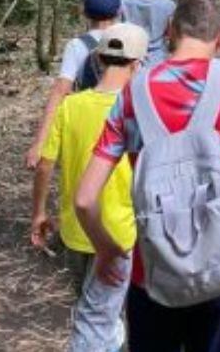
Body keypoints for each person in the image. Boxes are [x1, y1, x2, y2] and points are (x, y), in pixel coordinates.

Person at [73, 0, 220, 351]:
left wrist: (108, 251)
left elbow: (84, 200)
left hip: (152, 270)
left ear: (170, 29)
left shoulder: (132, 93)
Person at [31, 23, 148, 352]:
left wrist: (38, 213)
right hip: (117, 235)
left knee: (95, 310)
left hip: (75, 230)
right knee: (95, 320)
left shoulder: (70, 106)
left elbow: (44, 164)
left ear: (97, 60)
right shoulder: (138, 109)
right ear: (137, 64)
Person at [26, 0, 122, 169]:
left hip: (86, 122)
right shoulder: (130, 39)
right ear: (119, 11)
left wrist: (39, 143)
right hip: (121, 121)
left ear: (83, 11)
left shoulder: (77, 46)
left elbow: (59, 92)